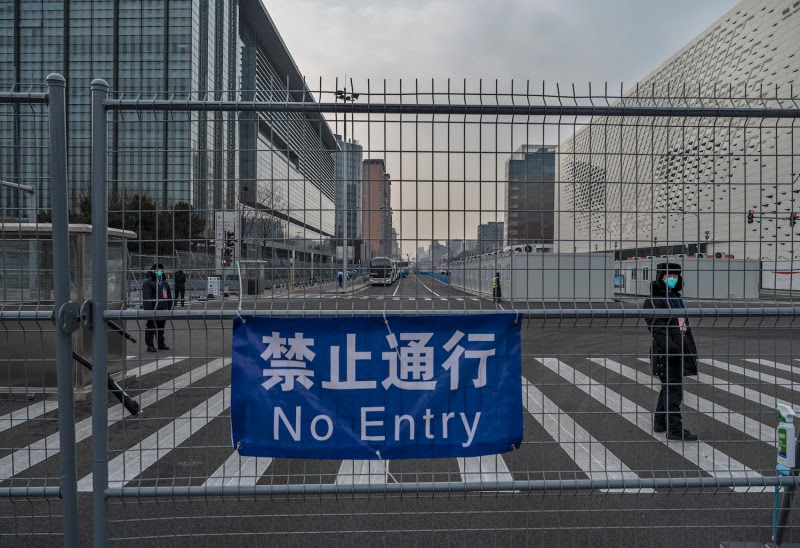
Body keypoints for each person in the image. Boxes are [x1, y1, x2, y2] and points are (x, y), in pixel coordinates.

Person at [643, 262, 699, 441]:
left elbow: (684, 326)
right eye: (669, 276)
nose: (672, 279)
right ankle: (675, 429)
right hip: (666, 353)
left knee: (669, 387)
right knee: (674, 390)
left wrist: (690, 349)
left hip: (678, 350)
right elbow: (657, 328)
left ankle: (660, 423)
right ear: (660, 277)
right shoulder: (654, 300)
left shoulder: (676, 298)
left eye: (675, 276)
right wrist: (672, 350)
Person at [142, 263, 173, 352]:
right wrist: (149, 311)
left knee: (161, 328)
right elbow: (147, 298)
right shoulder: (148, 283)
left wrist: (170, 308)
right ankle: (150, 345)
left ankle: (160, 344)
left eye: (160, 270)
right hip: (153, 310)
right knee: (151, 327)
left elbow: (169, 296)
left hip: (163, 310)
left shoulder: (164, 282)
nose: (159, 272)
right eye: (157, 270)